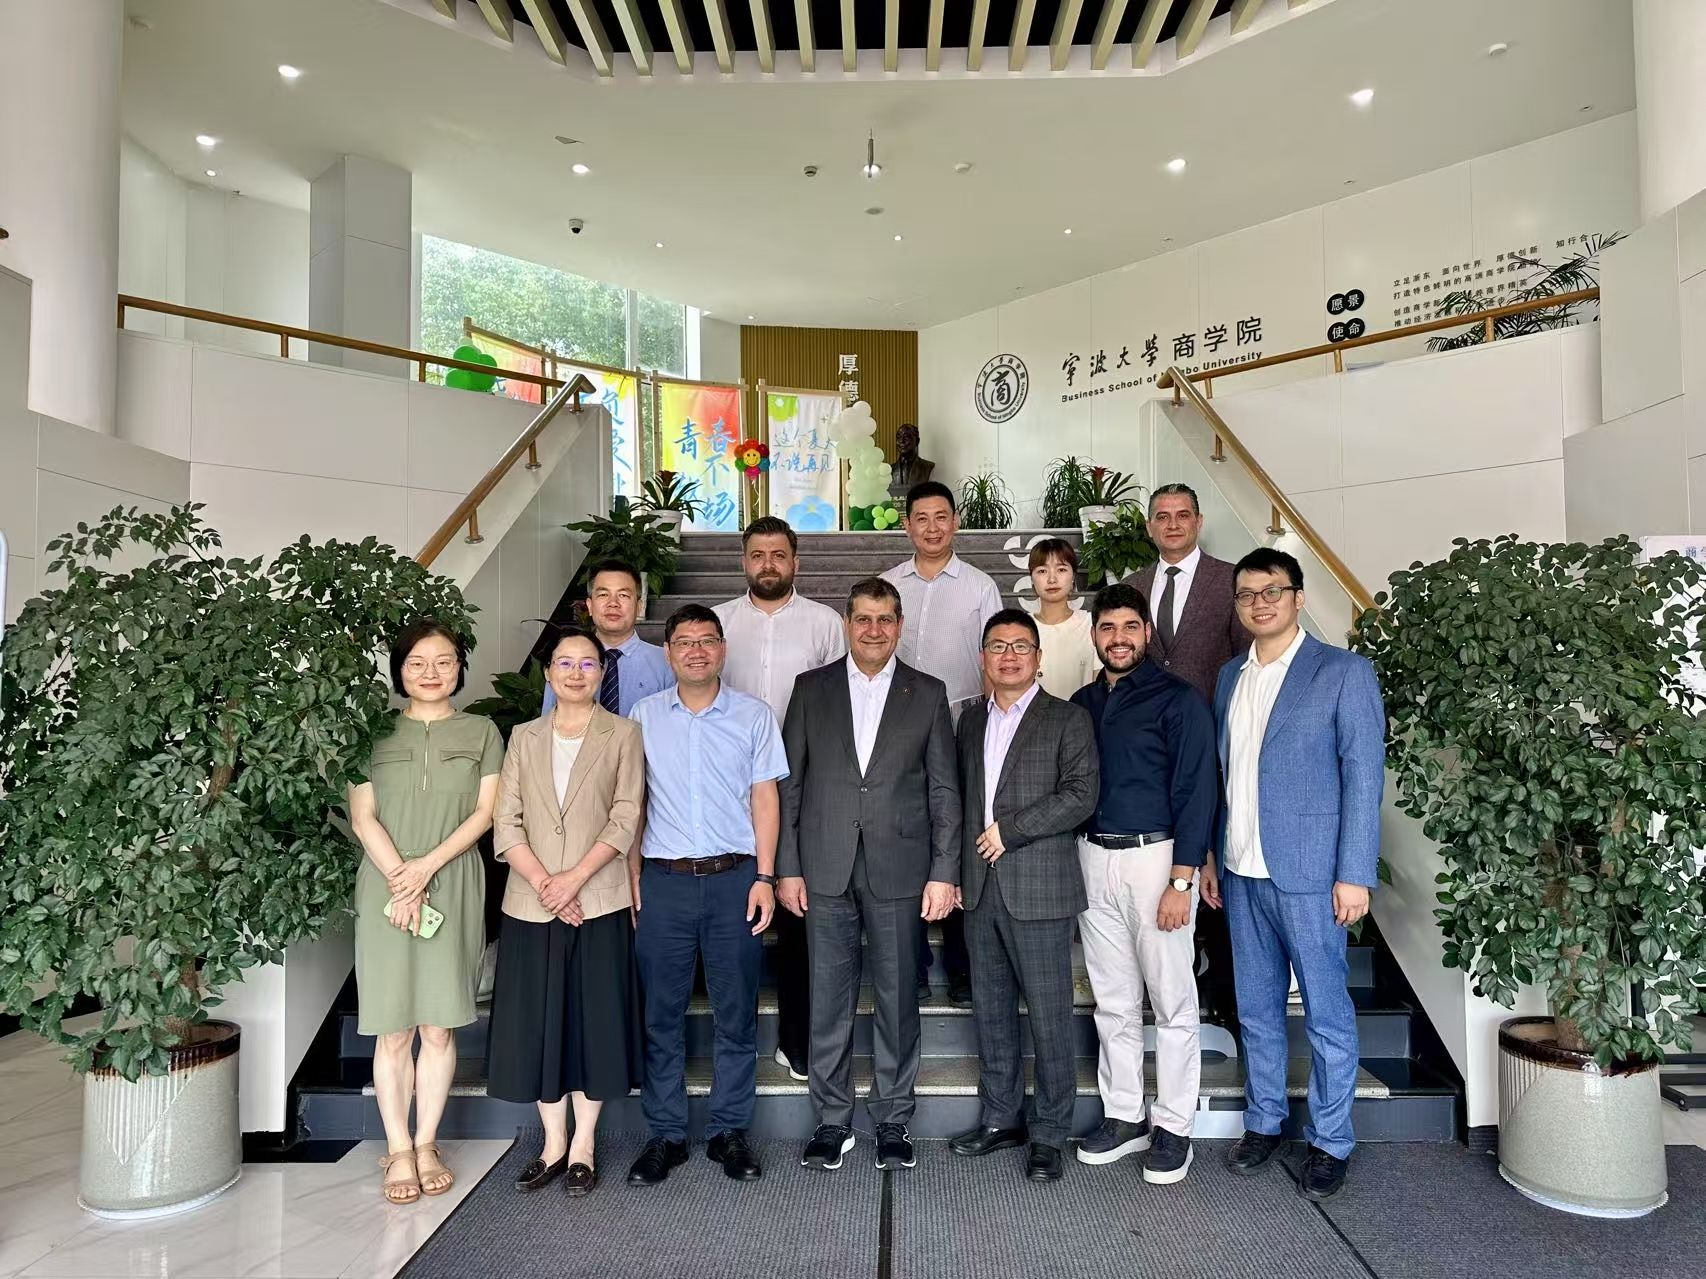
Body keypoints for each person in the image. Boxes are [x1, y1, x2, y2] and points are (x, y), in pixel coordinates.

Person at [1213, 548, 1384, 1202]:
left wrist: (1354, 873)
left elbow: (1363, 778)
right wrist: (1212, 855)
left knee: (1326, 1014)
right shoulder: (1229, 676)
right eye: (1247, 594)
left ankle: (1331, 1140)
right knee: (1256, 1010)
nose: (1260, 603)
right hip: (1240, 870)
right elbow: (1227, 777)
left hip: (1313, 875)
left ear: (1298, 598)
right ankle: (1265, 1121)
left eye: (1272, 591)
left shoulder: (1343, 672)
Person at [777, 578, 961, 1173]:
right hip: (823, 865)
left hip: (901, 867)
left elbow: (944, 790)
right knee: (827, 1000)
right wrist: (787, 868)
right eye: (863, 618)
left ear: (899, 625)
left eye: (885, 619)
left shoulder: (927, 693)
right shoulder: (811, 689)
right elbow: (790, 785)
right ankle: (832, 1119)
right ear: (847, 624)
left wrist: (944, 870)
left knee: (898, 997)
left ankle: (892, 1119)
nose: (874, 630)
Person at [625, 605, 788, 1187]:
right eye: (684, 642)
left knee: (736, 1013)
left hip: (734, 881)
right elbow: (633, 803)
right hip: (664, 881)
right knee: (660, 1015)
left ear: (722, 649)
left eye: (707, 640)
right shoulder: (643, 716)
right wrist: (631, 872)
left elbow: (765, 799)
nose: (696, 651)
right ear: (668, 653)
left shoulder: (753, 715)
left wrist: (765, 878)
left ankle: (728, 1131)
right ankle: (666, 1134)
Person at [486, 628, 645, 1199]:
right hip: (531, 903)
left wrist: (573, 880)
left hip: (598, 898)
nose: (576, 673)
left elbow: (626, 816)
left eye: (587, 664)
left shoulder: (623, 733)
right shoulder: (523, 737)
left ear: (602, 672)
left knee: (593, 1021)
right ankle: (552, 1143)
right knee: (540, 1022)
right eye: (564, 663)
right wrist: (545, 884)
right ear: (549, 672)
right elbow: (507, 819)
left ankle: (584, 1144)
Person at [349, 621, 503, 1204]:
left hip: (453, 879)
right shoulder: (372, 732)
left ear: (460, 667)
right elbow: (363, 816)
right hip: (384, 883)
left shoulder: (482, 730)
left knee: (438, 1026)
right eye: (417, 662)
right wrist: (401, 878)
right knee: (394, 1028)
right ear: (399, 669)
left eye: (444, 661)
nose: (431, 672)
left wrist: (425, 870)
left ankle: (427, 1142)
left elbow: (486, 812)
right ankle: (397, 1148)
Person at [1069, 584, 1218, 1185]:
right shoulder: (1081, 702)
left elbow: (1197, 790)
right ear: (1094, 635)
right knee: (1112, 998)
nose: (1119, 638)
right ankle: (1125, 1114)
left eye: (1130, 627)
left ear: (1147, 633)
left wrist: (1183, 878)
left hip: (1157, 861)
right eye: (1108, 628)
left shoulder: (1179, 700)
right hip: (1091, 857)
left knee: (1172, 1000)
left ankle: (1175, 1125)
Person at [948, 610, 1099, 1183]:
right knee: (990, 1010)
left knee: (1049, 1014)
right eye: (997, 646)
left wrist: (1011, 831)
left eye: (1020, 646)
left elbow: (1081, 795)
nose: (1008, 656)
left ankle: (1050, 1132)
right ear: (983, 658)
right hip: (980, 887)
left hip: (1039, 886)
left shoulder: (1068, 718)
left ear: (1038, 657)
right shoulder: (969, 721)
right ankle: (1000, 1118)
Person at [714, 516, 846, 1082]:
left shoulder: (825, 623)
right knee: (728, 915)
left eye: (778, 555)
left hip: (802, 781)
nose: (768, 564)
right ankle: (727, 1047)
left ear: (796, 561)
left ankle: (797, 1042)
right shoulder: (718, 623)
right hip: (726, 785)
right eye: (758, 555)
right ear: (744, 561)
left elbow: (841, 699)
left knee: (797, 915)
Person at [1124, 483, 1251, 1025]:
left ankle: (1222, 995)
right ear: (1149, 526)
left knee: (1216, 867)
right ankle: (1160, 987)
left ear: (1198, 522)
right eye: (1162, 516)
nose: (1172, 524)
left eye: (1182, 515)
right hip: (1149, 749)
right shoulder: (1133, 585)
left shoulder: (1230, 580)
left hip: (1214, 742)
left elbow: (1246, 660)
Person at [881, 480, 1001, 1006]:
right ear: (907, 525)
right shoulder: (888, 585)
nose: (932, 527)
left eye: (941, 517)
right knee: (906, 836)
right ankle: (912, 962)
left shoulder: (979, 586)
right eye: (922, 518)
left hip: (961, 723)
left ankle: (962, 965)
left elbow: (995, 660)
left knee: (960, 836)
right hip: (897, 729)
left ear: (955, 522)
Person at [540, 559, 673, 717]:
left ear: (640, 607)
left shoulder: (666, 662)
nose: (613, 603)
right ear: (590, 606)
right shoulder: (564, 661)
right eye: (603, 595)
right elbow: (548, 723)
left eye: (623, 595)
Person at [1027, 537, 1098, 697]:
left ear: (1073, 576)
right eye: (1042, 571)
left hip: (1081, 712)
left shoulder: (1090, 624)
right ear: (1031, 579)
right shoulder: (1022, 628)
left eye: (1061, 569)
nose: (1052, 579)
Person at [886, 422, 937, 501]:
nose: (901, 441)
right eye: (899, 437)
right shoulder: (889, 470)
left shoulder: (927, 467)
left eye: (906, 437)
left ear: (917, 441)